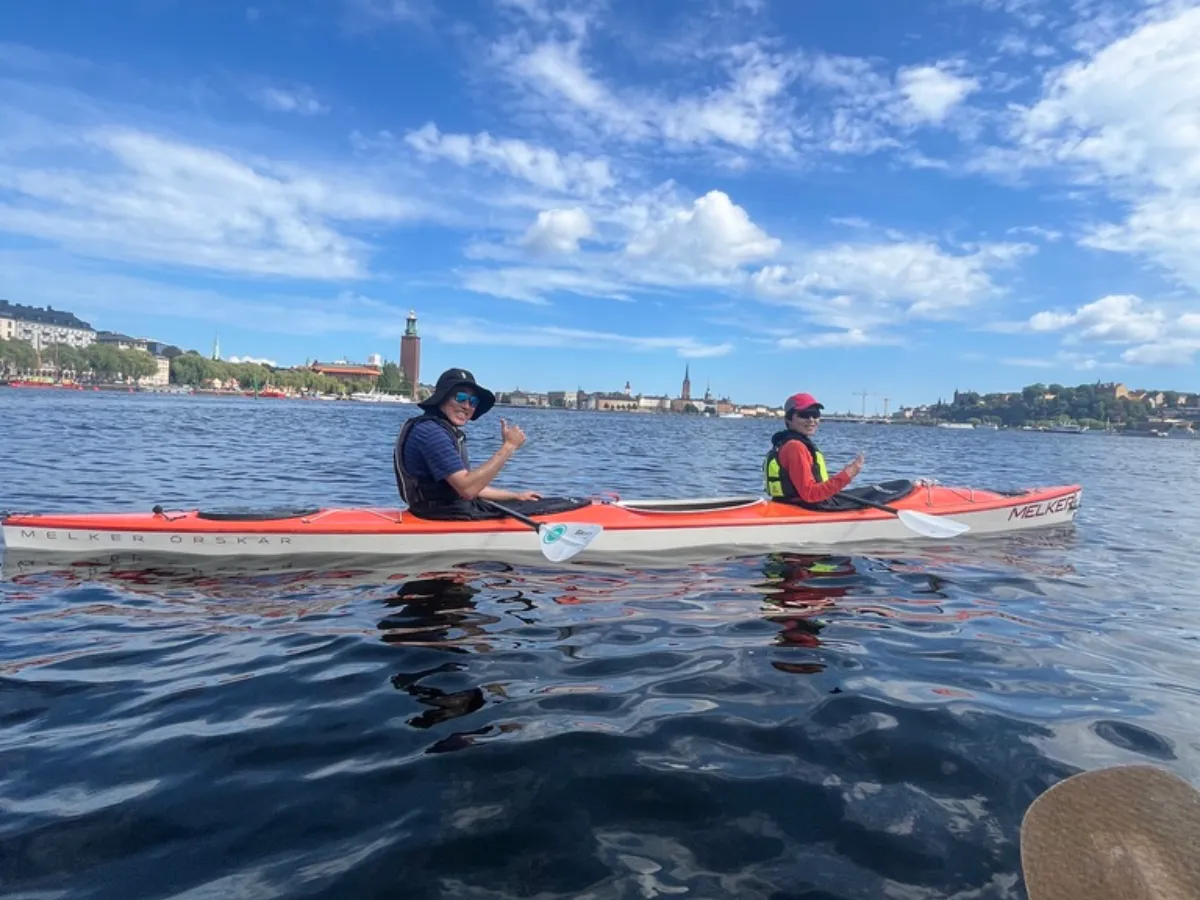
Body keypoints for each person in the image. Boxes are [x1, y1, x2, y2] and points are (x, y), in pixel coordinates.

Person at [393, 367, 590, 521]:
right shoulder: (432, 432)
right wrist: (508, 447)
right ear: (442, 398)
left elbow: (469, 486)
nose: (467, 406)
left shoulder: (434, 428)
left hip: (440, 510)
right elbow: (467, 489)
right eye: (461, 397)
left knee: (536, 503)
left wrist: (516, 496)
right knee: (556, 507)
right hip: (442, 515)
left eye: (473, 401)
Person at [763, 392, 867, 510]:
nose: (811, 420)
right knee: (880, 496)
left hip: (798, 504)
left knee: (875, 491)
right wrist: (847, 475)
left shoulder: (789, 442)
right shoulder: (795, 447)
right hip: (807, 507)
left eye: (815, 414)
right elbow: (810, 494)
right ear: (788, 419)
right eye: (804, 414)